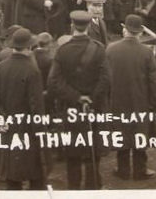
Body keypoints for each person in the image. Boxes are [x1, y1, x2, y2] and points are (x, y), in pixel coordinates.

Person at [48, 10, 110, 190]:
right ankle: (93, 189)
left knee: (73, 153)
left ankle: (73, 190)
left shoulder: (62, 50)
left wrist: (76, 97)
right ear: (89, 26)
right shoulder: (99, 49)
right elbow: (106, 79)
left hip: (71, 109)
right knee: (92, 152)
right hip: (94, 108)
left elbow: (53, 82)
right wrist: (91, 99)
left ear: (72, 26)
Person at [0, 28, 46, 190]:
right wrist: (41, 131)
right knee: (36, 176)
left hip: (7, 127)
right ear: (30, 48)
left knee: (12, 176)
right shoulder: (32, 71)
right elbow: (36, 106)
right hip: (28, 129)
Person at [107, 14, 156, 180]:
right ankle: (140, 170)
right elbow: (154, 82)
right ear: (139, 32)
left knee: (121, 132)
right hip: (140, 100)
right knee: (139, 133)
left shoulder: (110, 49)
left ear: (125, 30)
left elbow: (105, 78)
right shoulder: (146, 52)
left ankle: (122, 169)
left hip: (117, 99)